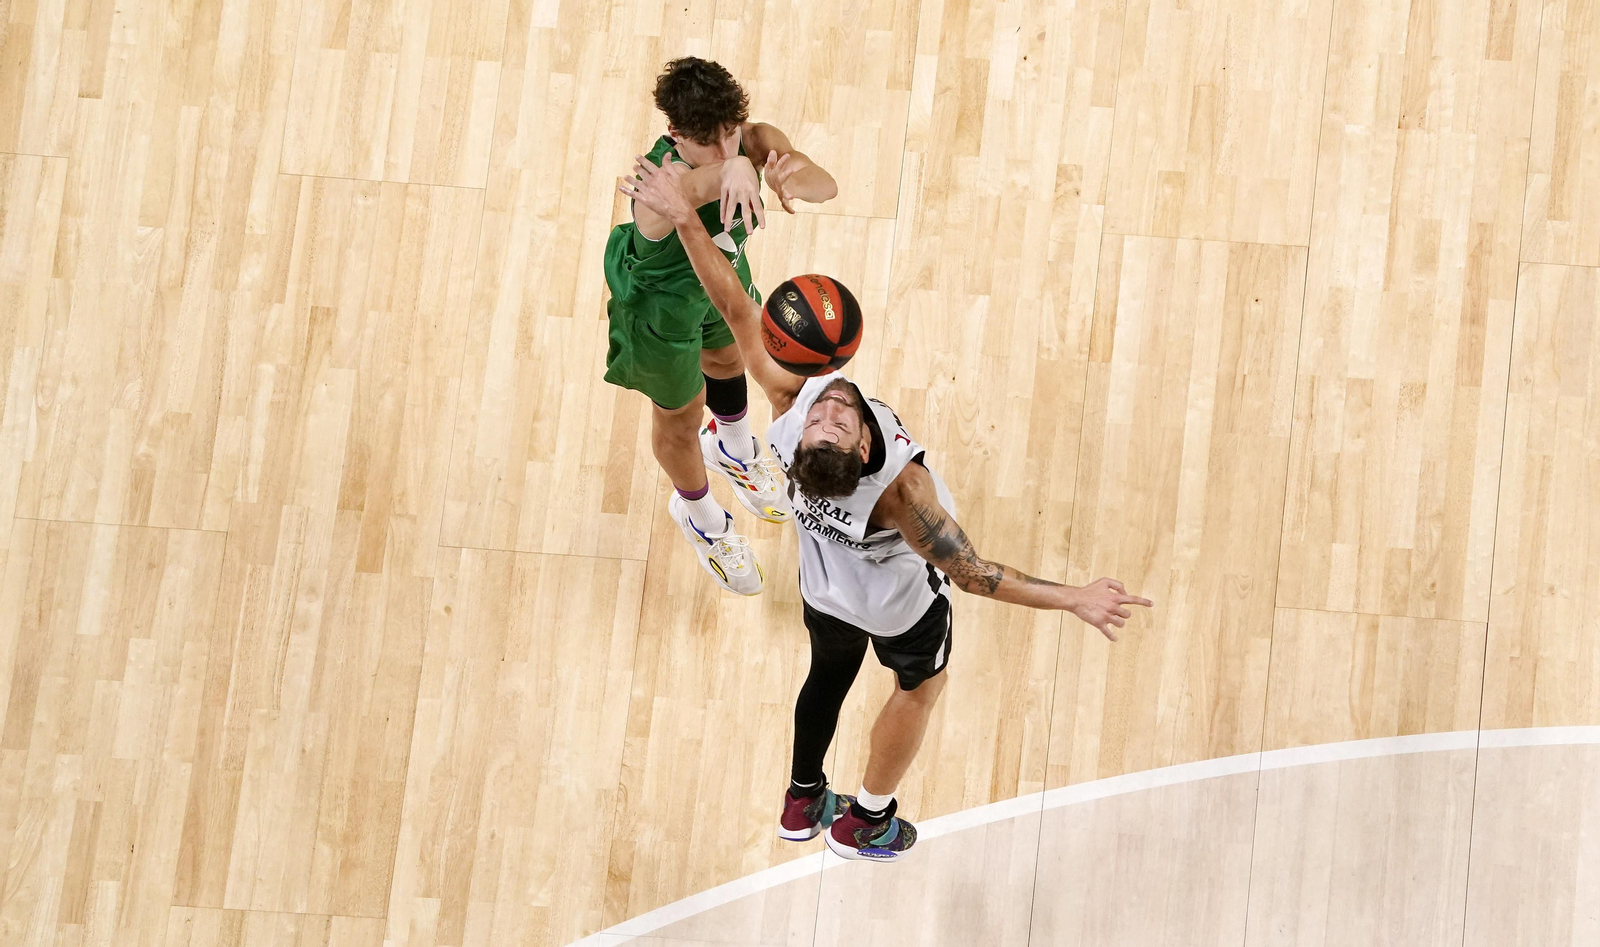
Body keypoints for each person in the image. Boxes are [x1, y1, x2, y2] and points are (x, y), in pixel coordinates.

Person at [619, 156, 1154, 861]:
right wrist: (1076, 598)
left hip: (824, 585)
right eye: (835, 419)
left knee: (827, 673)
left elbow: (738, 310)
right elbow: (975, 574)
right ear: (864, 440)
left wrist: (688, 219)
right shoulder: (905, 497)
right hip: (900, 608)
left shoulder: (789, 406)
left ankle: (803, 795)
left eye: (830, 419)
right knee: (920, 685)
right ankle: (866, 819)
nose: (833, 407)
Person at [603, 57, 839, 595]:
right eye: (709, 142)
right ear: (675, 136)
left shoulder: (749, 141)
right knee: (681, 421)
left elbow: (823, 184)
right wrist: (728, 171)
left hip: (720, 278)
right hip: (660, 311)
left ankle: (733, 447)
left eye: (731, 134)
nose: (726, 149)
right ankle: (701, 517)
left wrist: (791, 177)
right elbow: (698, 187)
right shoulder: (657, 187)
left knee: (732, 358)